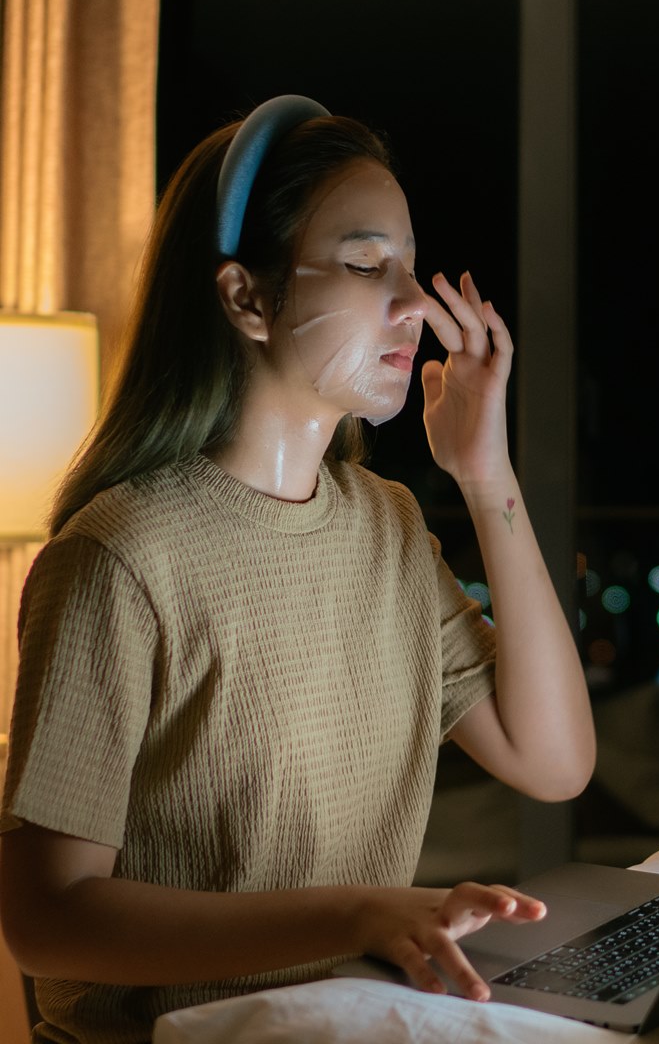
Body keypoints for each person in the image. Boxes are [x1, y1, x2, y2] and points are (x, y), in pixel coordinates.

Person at [0, 95, 595, 1044]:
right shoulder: (120, 556)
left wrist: (488, 475)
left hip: (348, 1025)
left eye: (409, 265)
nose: (412, 303)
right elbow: (45, 922)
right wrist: (359, 915)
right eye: (367, 265)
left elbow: (554, 761)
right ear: (247, 298)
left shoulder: (388, 527)